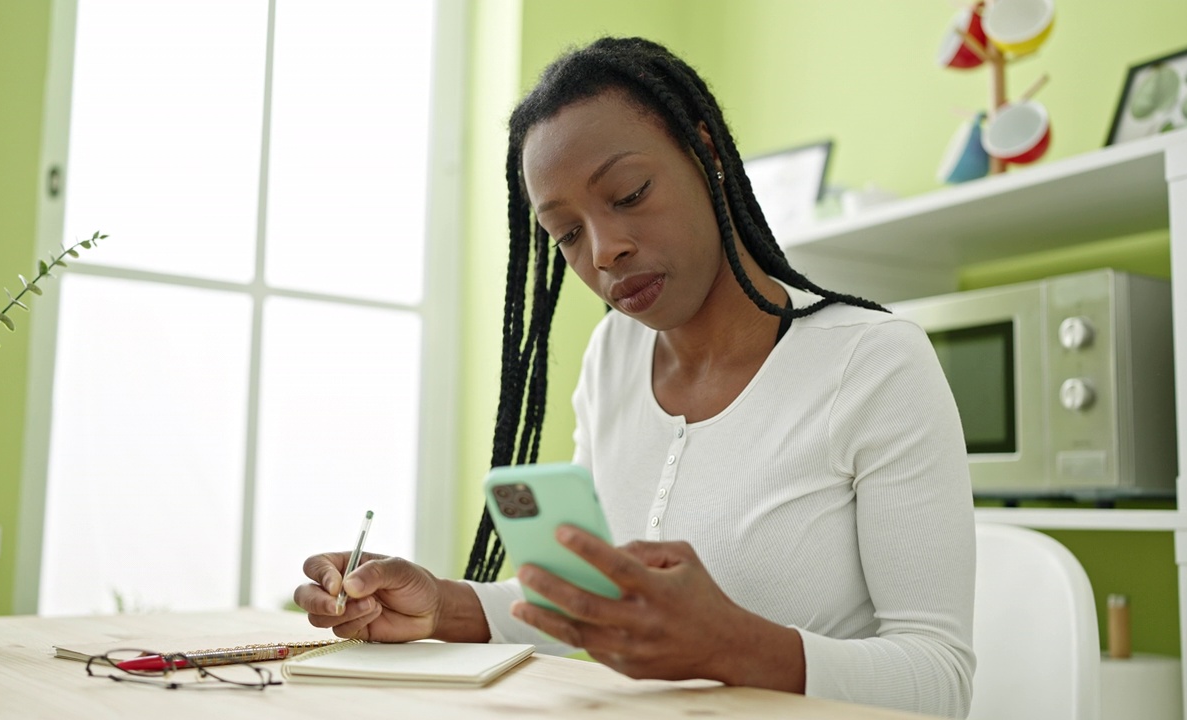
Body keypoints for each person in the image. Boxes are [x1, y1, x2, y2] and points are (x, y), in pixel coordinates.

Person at [294, 36, 976, 718]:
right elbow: (579, 596)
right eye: (565, 234)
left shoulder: (875, 364)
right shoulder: (614, 354)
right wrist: (439, 605)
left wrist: (732, 644)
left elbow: (940, 680)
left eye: (629, 193)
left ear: (705, 153)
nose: (604, 250)